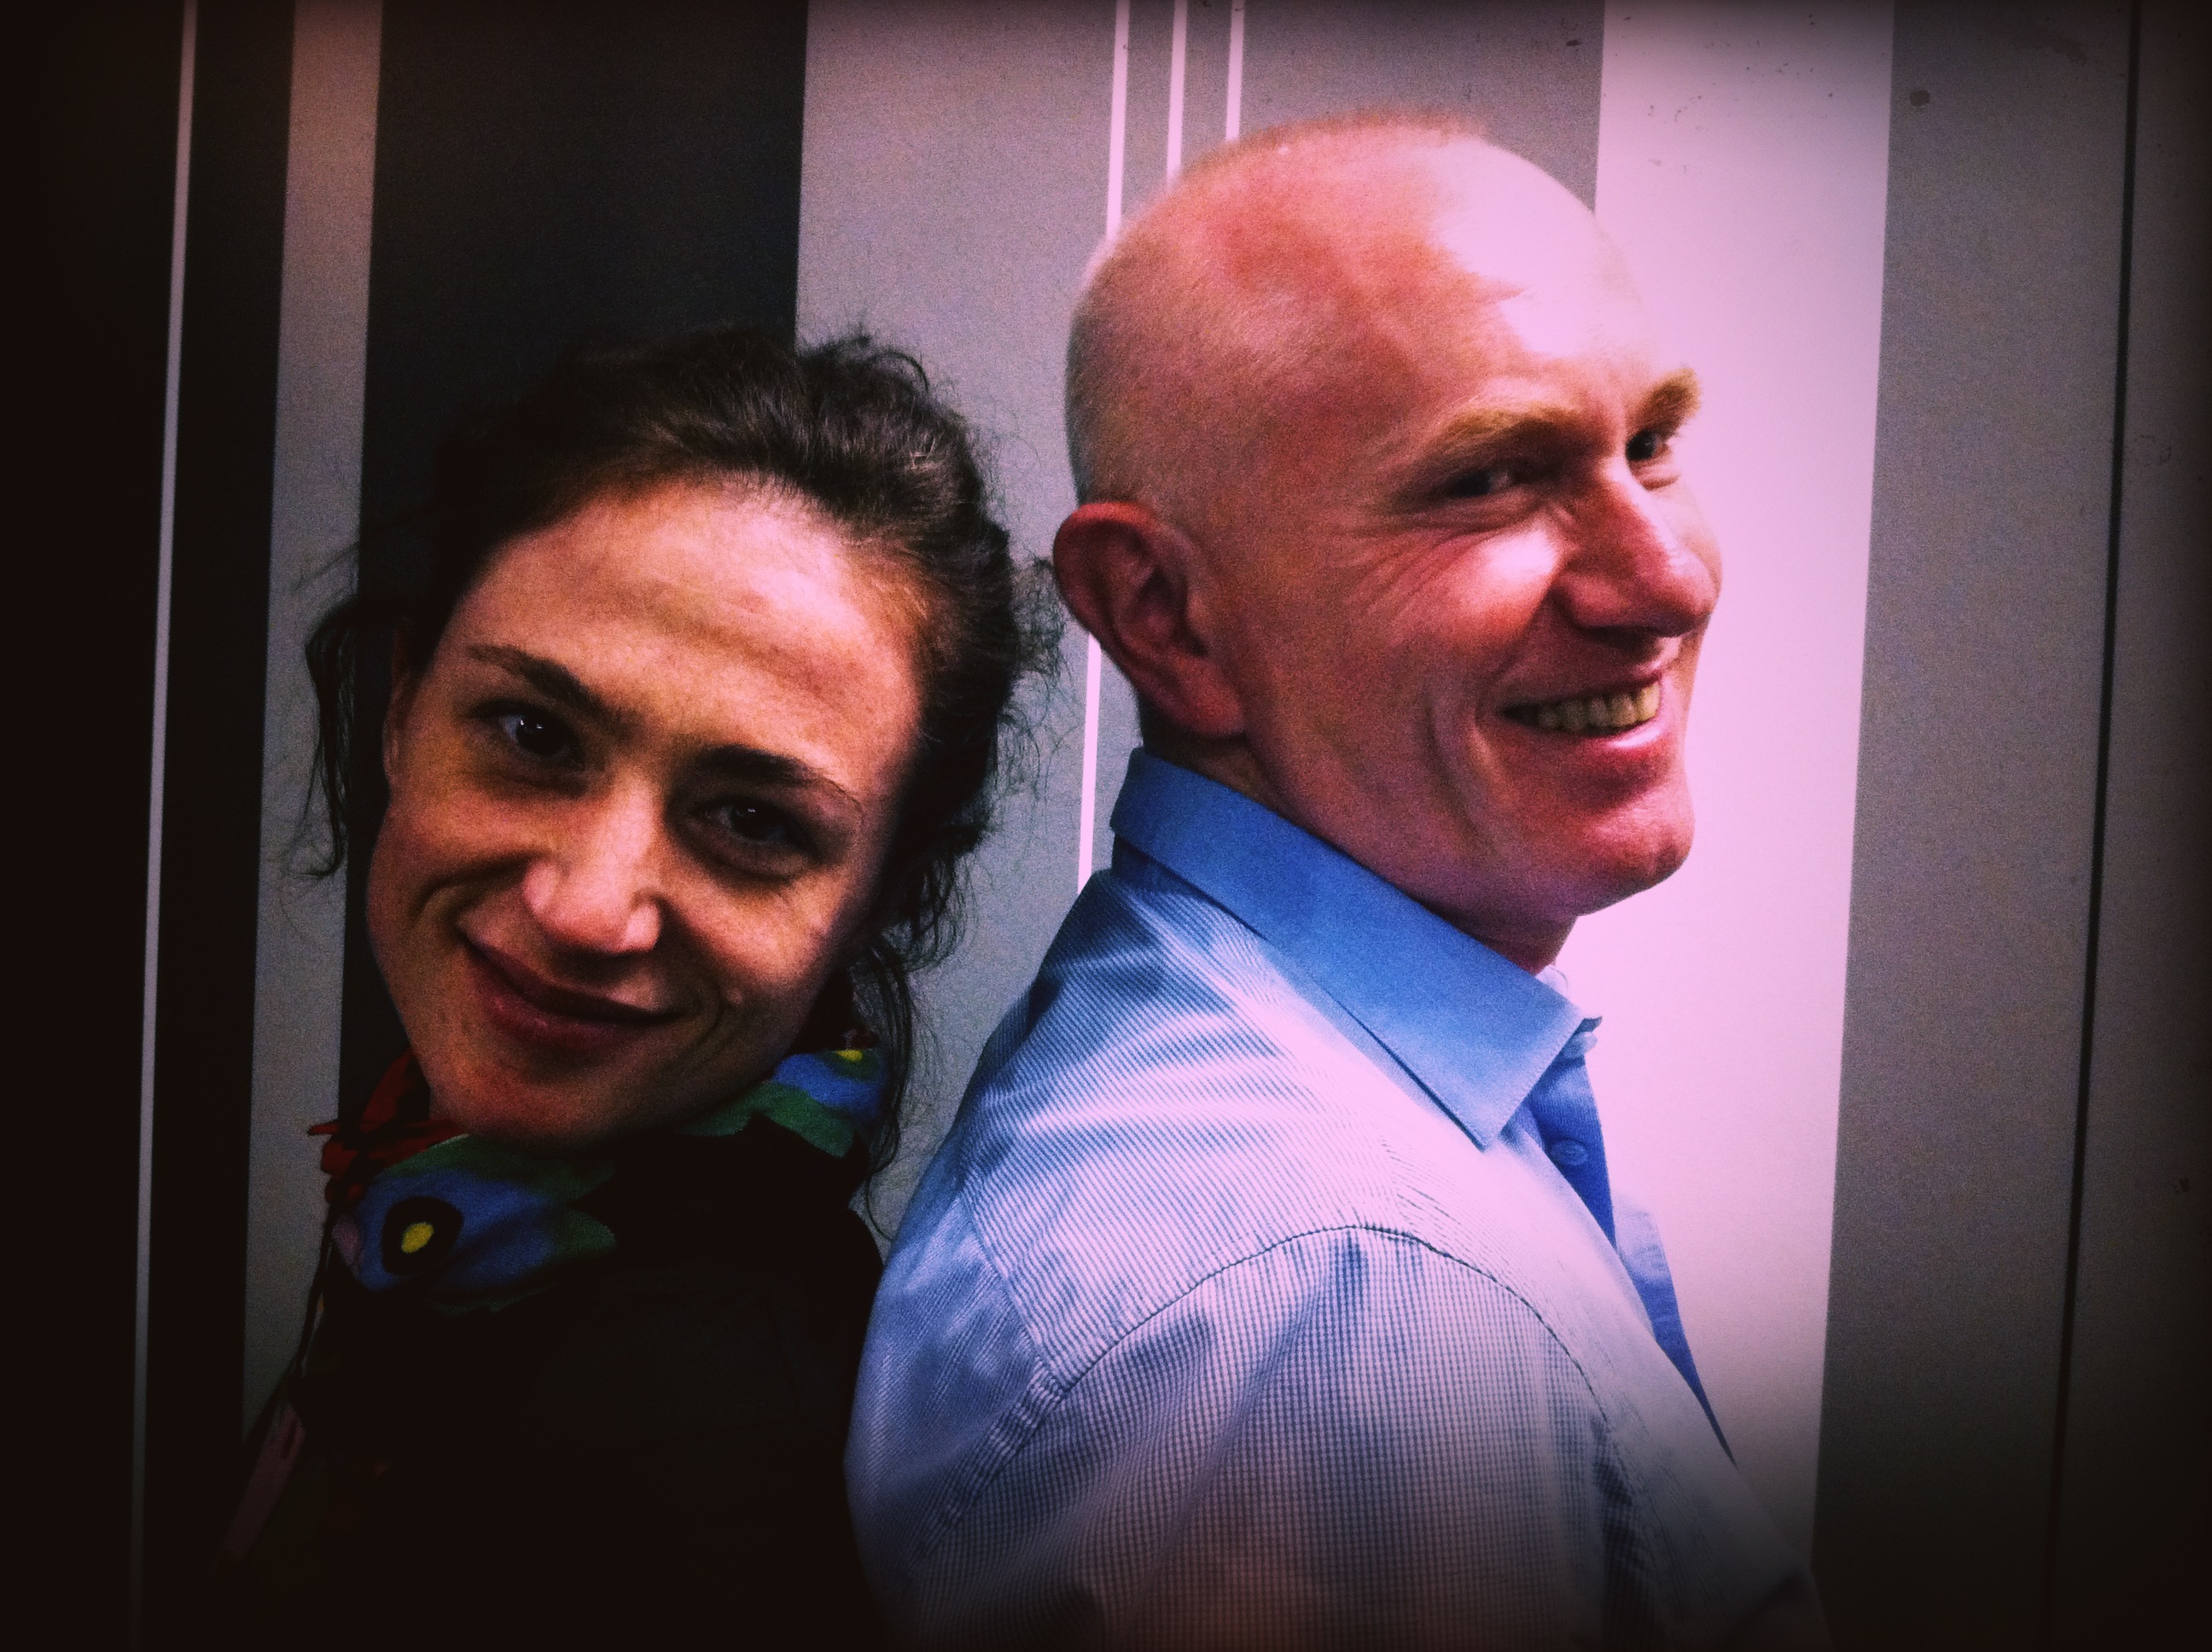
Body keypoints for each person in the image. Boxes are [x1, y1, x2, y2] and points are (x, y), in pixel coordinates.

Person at [848, 115, 1826, 1647]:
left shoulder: (1331, 1155)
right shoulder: (1326, 1301)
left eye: (1650, 445)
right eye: (1492, 479)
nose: (1669, 579)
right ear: (1164, 616)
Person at [208, 327, 1050, 1649]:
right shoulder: (438, 1213)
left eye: (754, 822)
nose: (586, 908)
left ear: (881, 897)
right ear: (403, 708)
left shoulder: (697, 1449)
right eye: (533, 735)